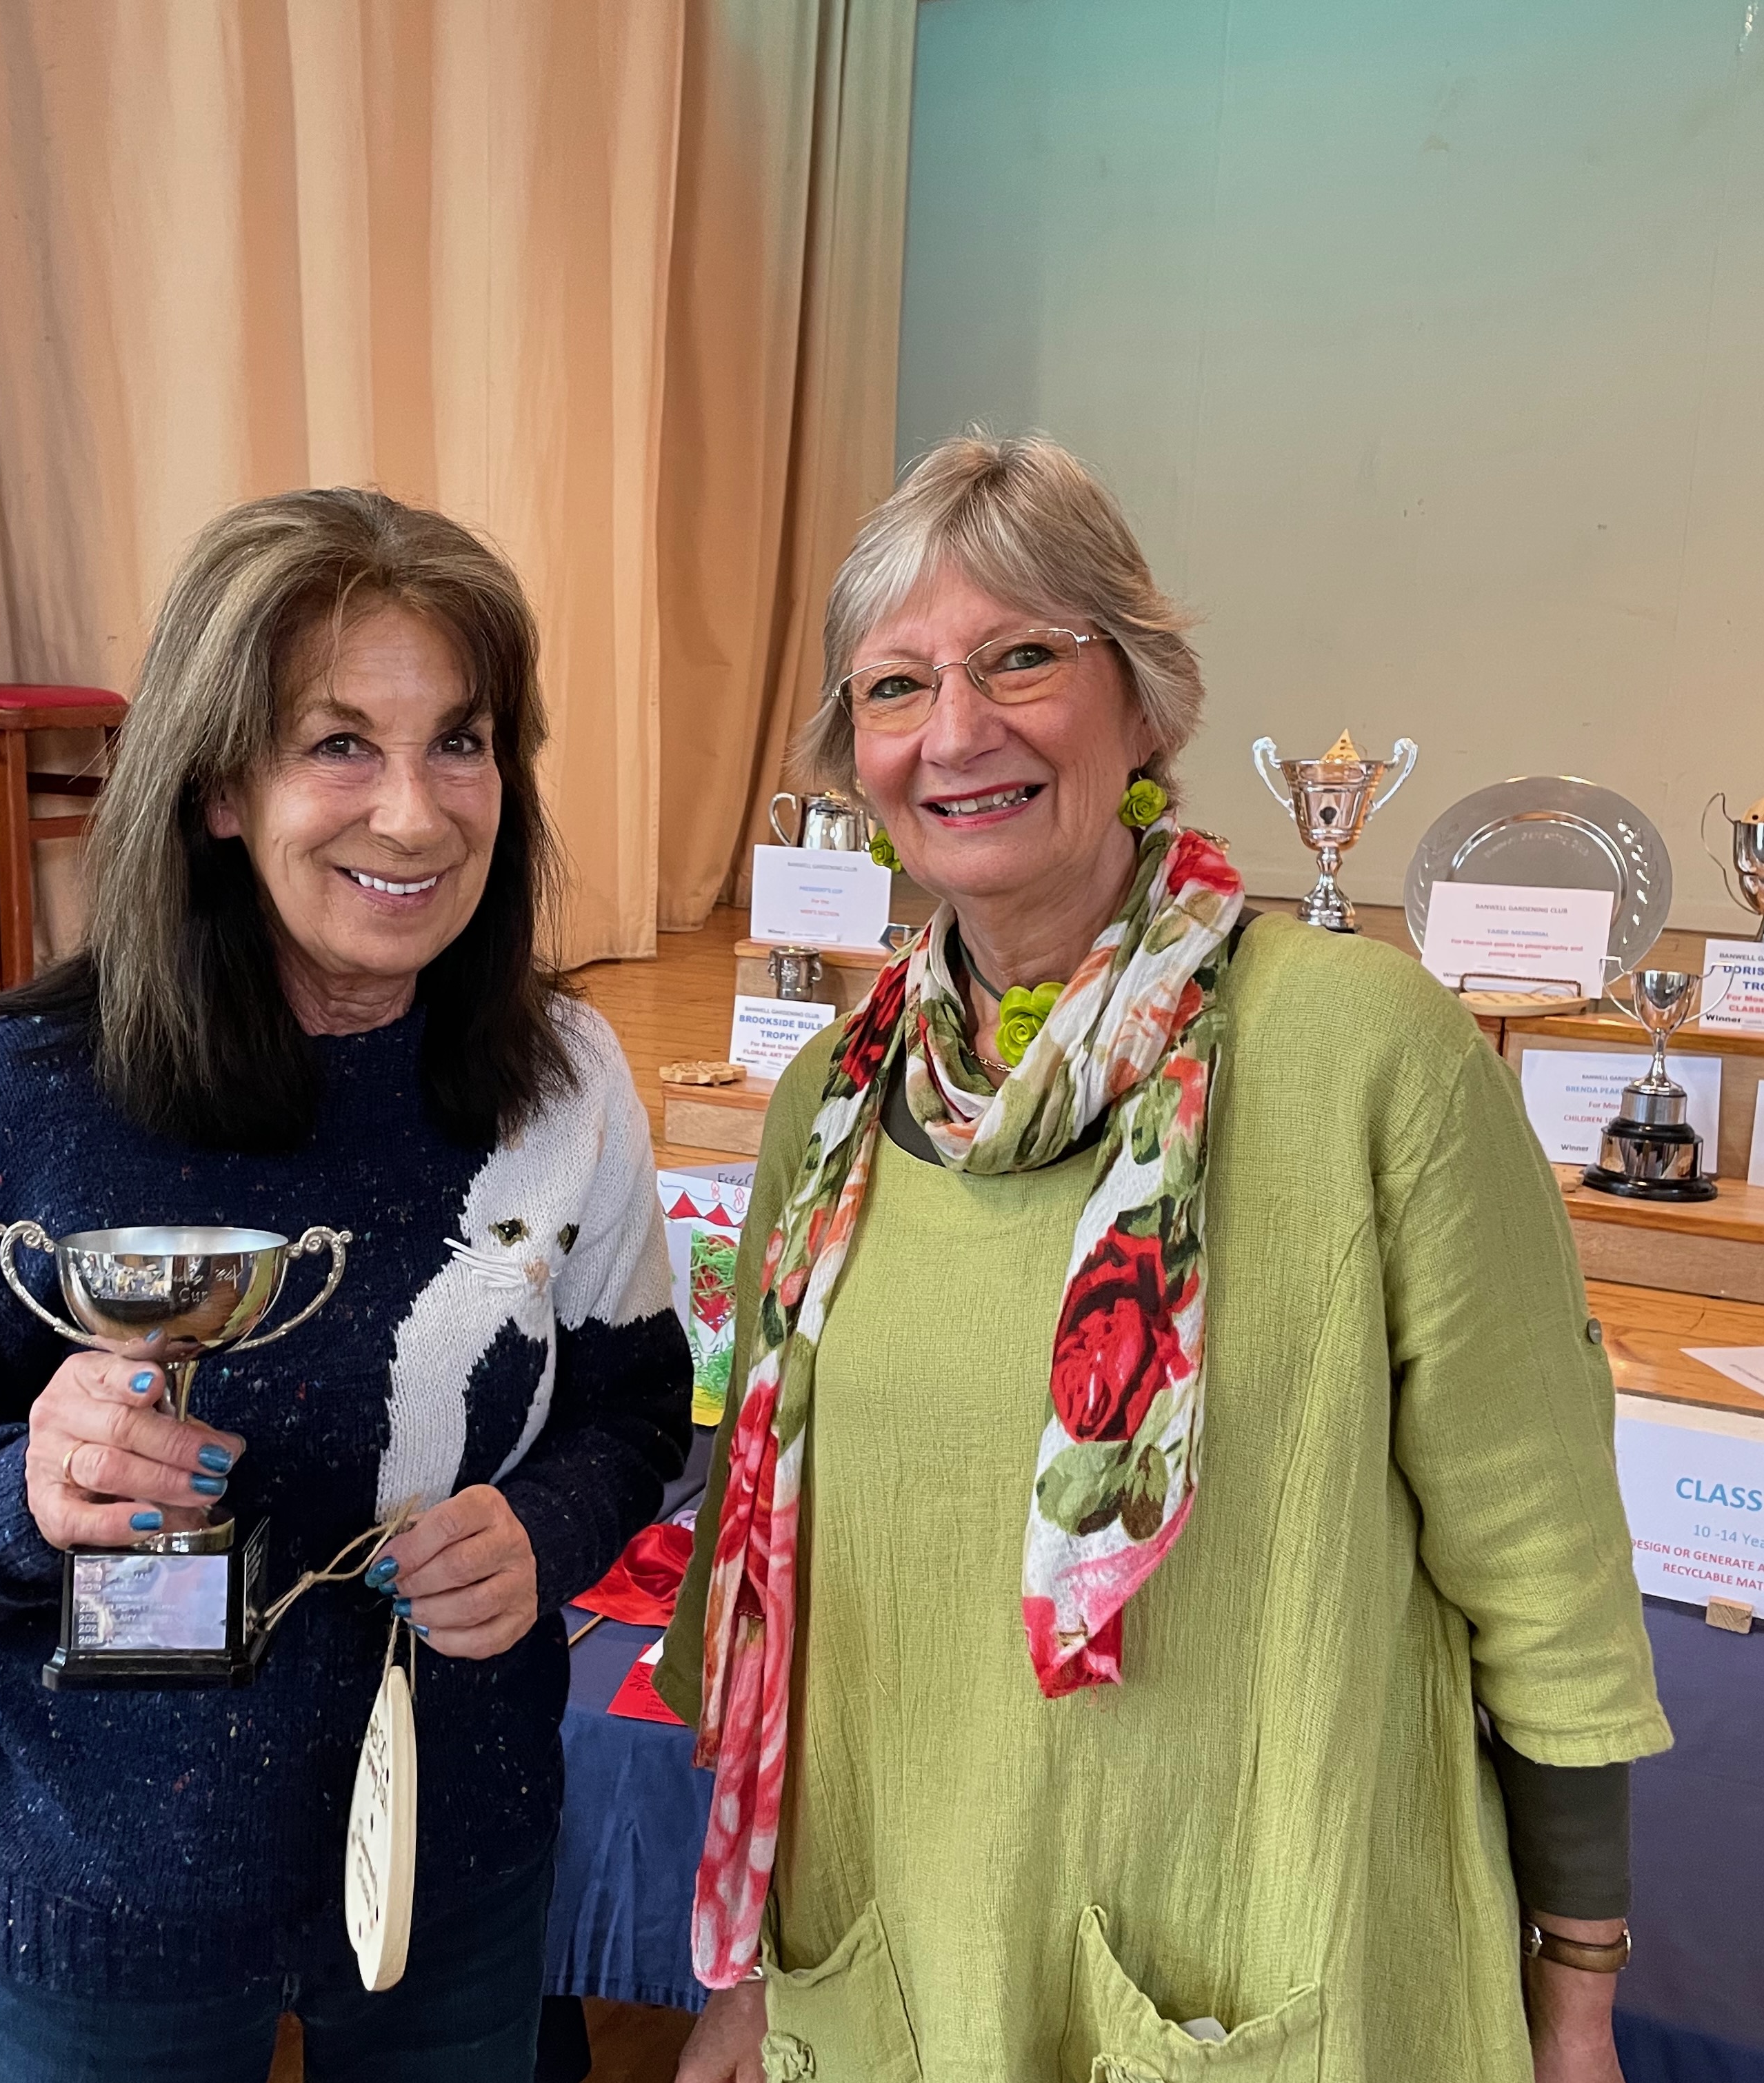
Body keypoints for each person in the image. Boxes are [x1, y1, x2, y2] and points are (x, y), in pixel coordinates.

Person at [658, 434, 1671, 2083]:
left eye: (1021, 657)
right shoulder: (827, 1106)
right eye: (897, 685)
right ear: (859, 758)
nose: (958, 730)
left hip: (1261, 1948)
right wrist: (743, 1975)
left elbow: (1539, 1552)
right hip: (902, 1958)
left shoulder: (1369, 1055)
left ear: (1144, 703)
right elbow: (761, 1581)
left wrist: (1578, 1990)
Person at [0, 489, 692, 2082]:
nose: (414, 815)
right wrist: (23, 1492)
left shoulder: (565, 1080)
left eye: (462, 741)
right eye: (339, 743)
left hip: (455, 1868)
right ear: (216, 785)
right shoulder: (22, 1097)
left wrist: (543, 1527)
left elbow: (633, 1402)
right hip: (104, 1906)